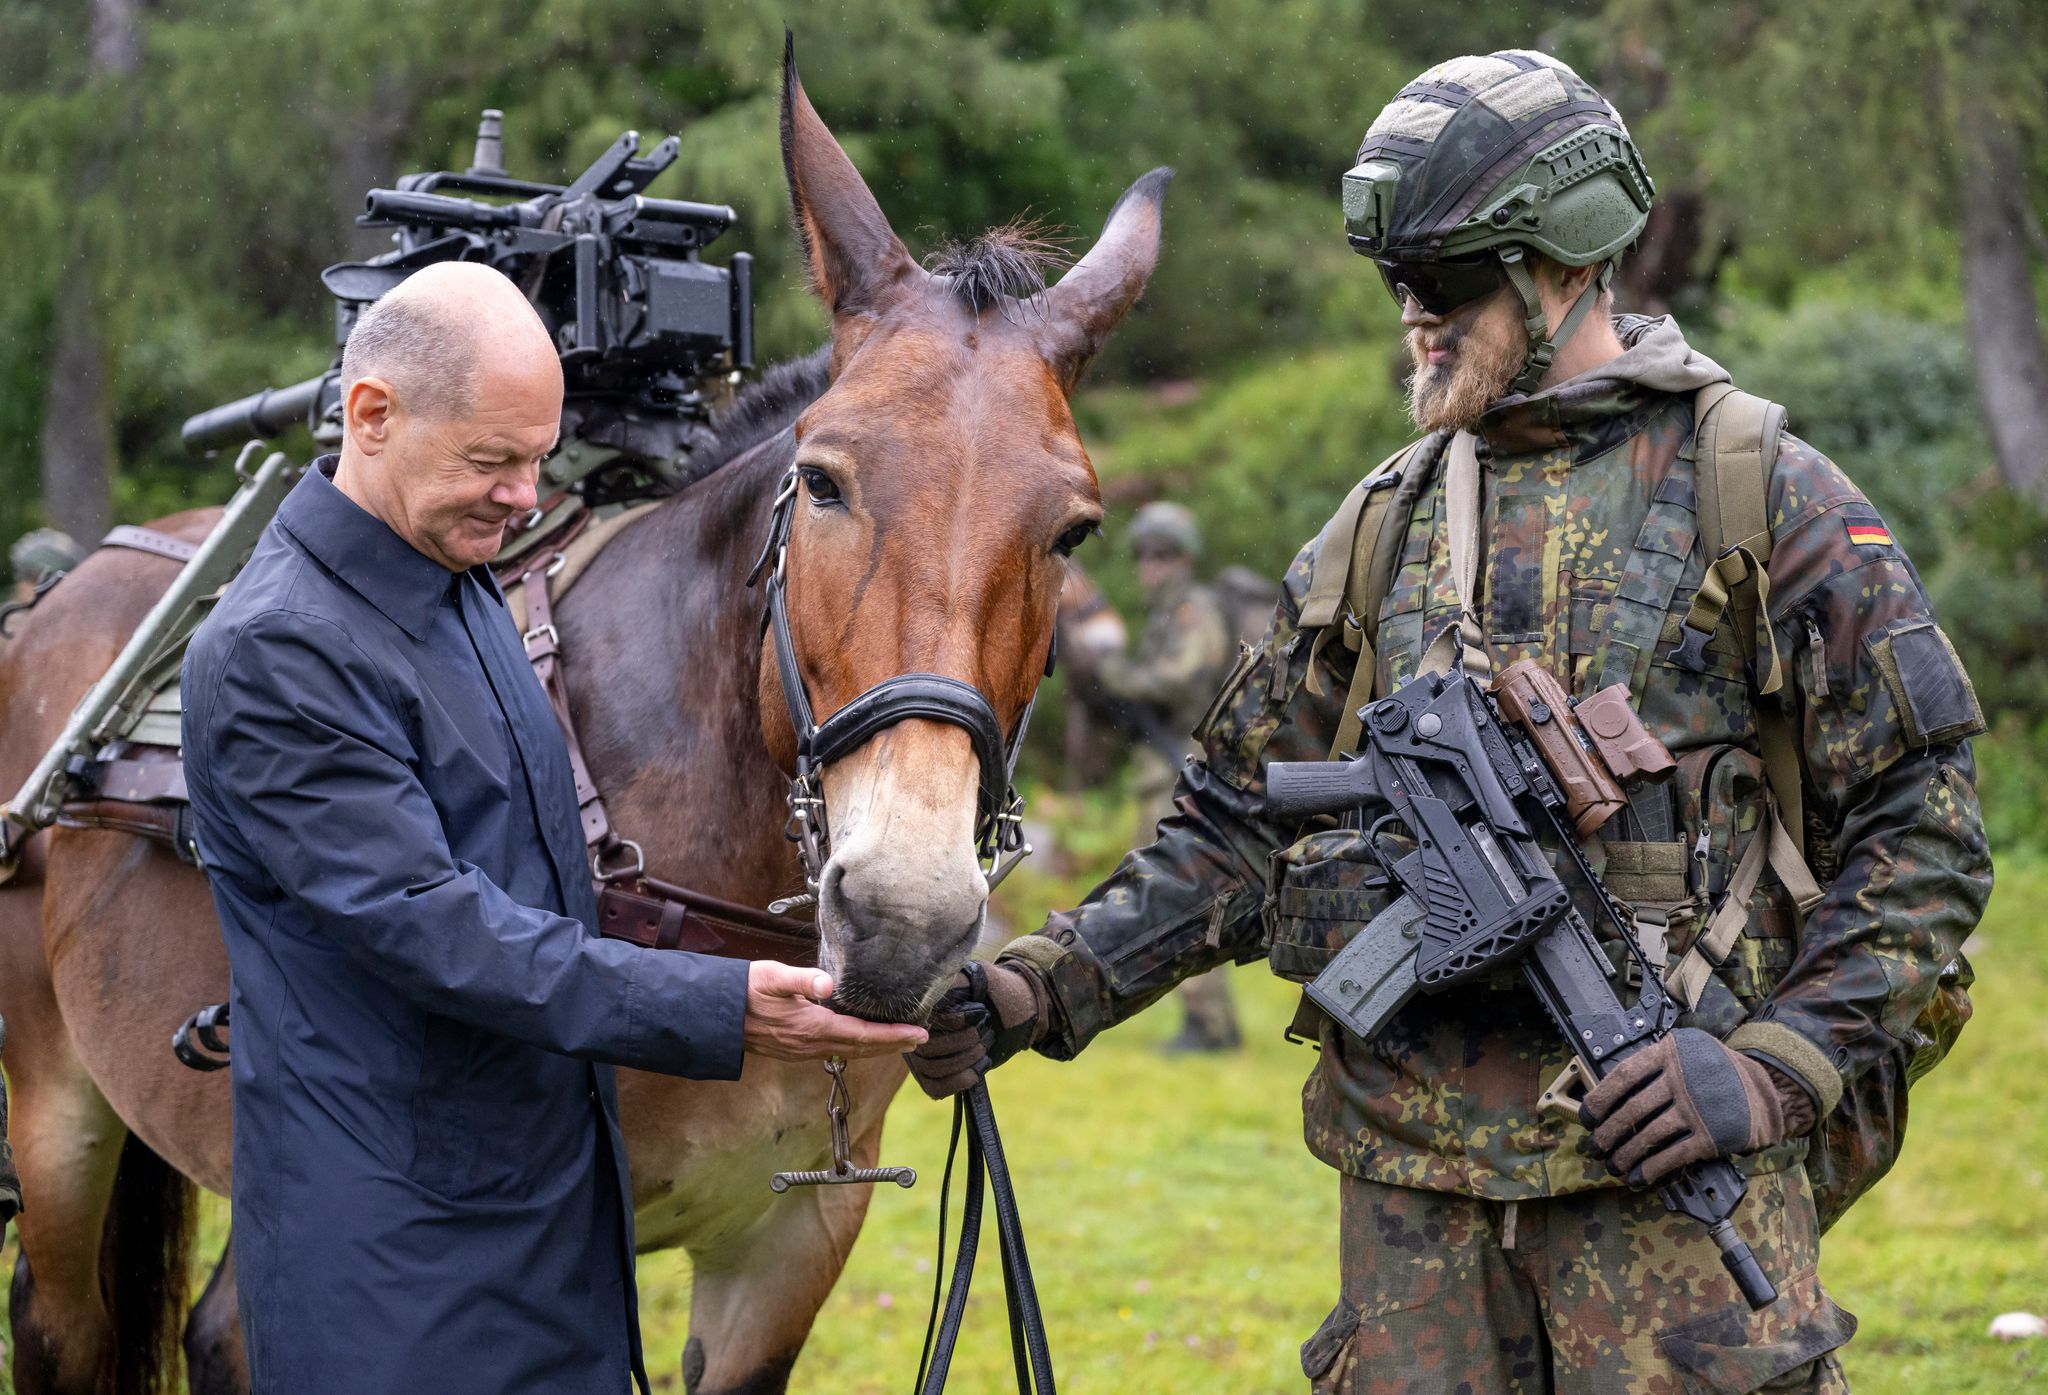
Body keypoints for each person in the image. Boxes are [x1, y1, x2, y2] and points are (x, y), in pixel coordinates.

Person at [909, 50, 1991, 1393]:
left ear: (1566, 259)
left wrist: (1778, 1062)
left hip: (1664, 1189)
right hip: (1411, 1215)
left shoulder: (1762, 495)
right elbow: (1234, 825)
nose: (1416, 316)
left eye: (1454, 278)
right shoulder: (1379, 528)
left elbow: (1926, 833)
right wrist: (1038, 982)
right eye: (1397, 283)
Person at [182, 262, 924, 1395]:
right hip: (396, 1267)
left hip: (538, 1227)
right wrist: (724, 1004)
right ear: (370, 415)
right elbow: (436, 930)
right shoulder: (281, 649)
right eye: (491, 461)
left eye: (535, 459)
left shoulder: (452, 580)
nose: (524, 496)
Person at [1090, 501, 1242, 1051]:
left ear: (1183, 560)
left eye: (1160, 557)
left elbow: (1184, 678)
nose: (1148, 570)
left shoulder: (1192, 610)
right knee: (1175, 890)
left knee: (1178, 892)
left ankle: (1208, 1024)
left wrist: (1119, 675)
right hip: (1163, 771)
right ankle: (1209, 1022)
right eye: (1144, 558)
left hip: (1184, 768)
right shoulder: (1167, 615)